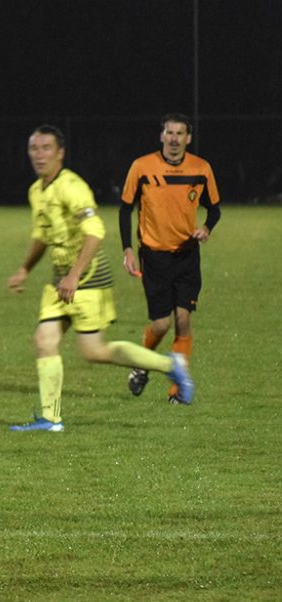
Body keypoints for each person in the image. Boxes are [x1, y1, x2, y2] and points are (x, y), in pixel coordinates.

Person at [7, 125, 195, 432]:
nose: (39, 155)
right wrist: (25, 268)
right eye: (34, 148)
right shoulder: (36, 190)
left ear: (60, 153)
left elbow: (95, 232)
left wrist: (75, 276)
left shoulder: (72, 187)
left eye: (46, 148)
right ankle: (50, 419)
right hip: (61, 279)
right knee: (45, 341)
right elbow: (41, 235)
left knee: (94, 350)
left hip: (87, 278)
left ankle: (170, 365)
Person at [119, 113, 222, 403]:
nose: (175, 139)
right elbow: (125, 208)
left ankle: (177, 390)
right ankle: (142, 365)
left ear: (188, 138)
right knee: (161, 324)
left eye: (180, 134)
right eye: (170, 133)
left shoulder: (201, 169)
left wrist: (205, 227)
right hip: (153, 257)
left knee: (183, 319)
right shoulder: (142, 167)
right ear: (161, 136)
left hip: (187, 255)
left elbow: (214, 209)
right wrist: (127, 248)